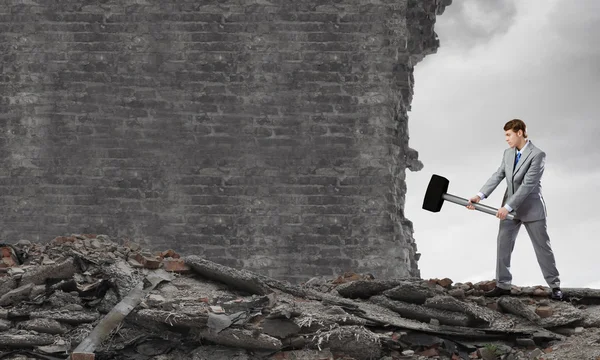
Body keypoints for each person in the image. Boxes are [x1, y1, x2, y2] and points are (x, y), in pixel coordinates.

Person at [466, 119, 563, 300]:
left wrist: (508, 206)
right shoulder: (508, 154)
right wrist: (480, 195)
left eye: (508, 134)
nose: (506, 139)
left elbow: (527, 185)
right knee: (503, 245)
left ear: (520, 133)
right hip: (509, 211)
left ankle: (555, 286)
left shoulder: (538, 155)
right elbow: (498, 175)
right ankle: (503, 285)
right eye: (505, 135)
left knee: (543, 249)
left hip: (531, 209)